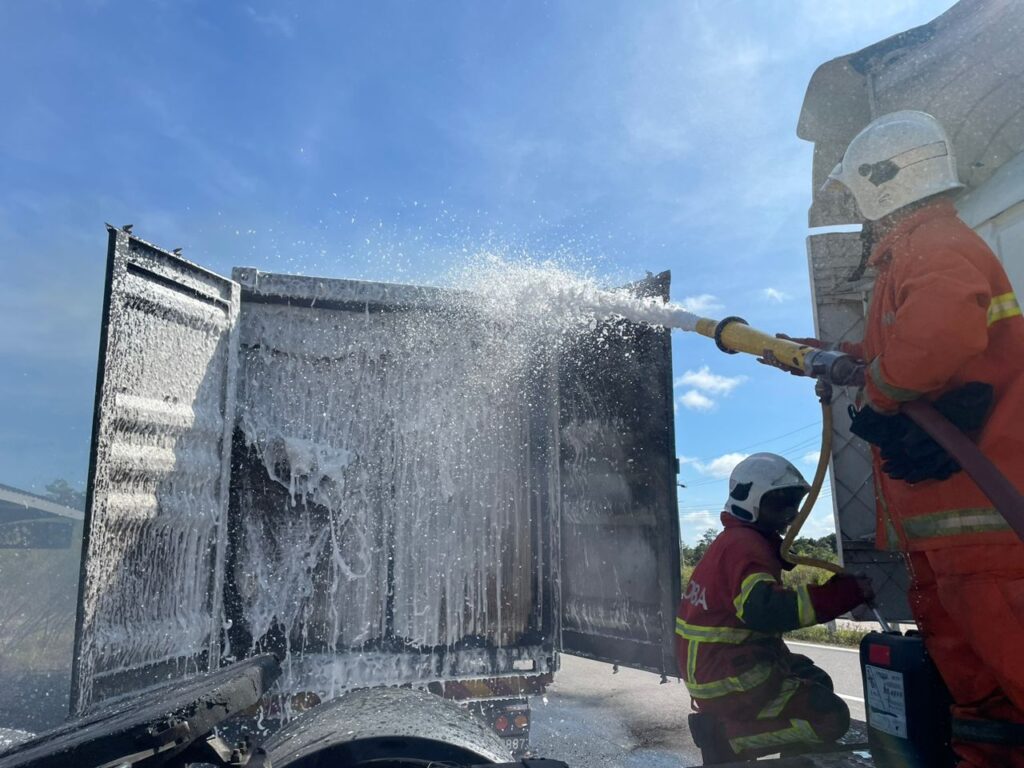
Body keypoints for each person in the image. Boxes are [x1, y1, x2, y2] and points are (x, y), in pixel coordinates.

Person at [808, 110, 1024, 767]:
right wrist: (823, 356)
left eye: (857, 196)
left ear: (885, 181)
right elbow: (895, 352)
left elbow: (936, 335)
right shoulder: (911, 257)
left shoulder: (933, 243)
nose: (858, 213)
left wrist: (879, 395)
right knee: (980, 703)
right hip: (948, 534)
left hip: (981, 528)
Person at [677, 453, 873, 763]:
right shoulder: (745, 545)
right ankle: (727, 739)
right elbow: (765, 609)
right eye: (780, 503)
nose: (790, 513)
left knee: (816, 679)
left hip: (719, 665)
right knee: (829, 716)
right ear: (750, 501)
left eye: (794, 503)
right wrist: (841, 595)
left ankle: (794, 757)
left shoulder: (737, 541)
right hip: (727, 676)